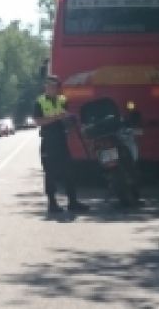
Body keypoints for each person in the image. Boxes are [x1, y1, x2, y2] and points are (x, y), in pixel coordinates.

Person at [33, 75, 89, 213]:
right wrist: (56, 117)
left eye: (55, 86)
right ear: (45, 86)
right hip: (49, 141)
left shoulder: (62, 100)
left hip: (61, 140)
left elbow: (65, 116)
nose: (52, 88)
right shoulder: (39, 102)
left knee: (69, 171)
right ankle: (52, 204)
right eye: (50, 86)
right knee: (50, 173)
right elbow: (38, 121)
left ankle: (73, 202)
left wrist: (70, 120)